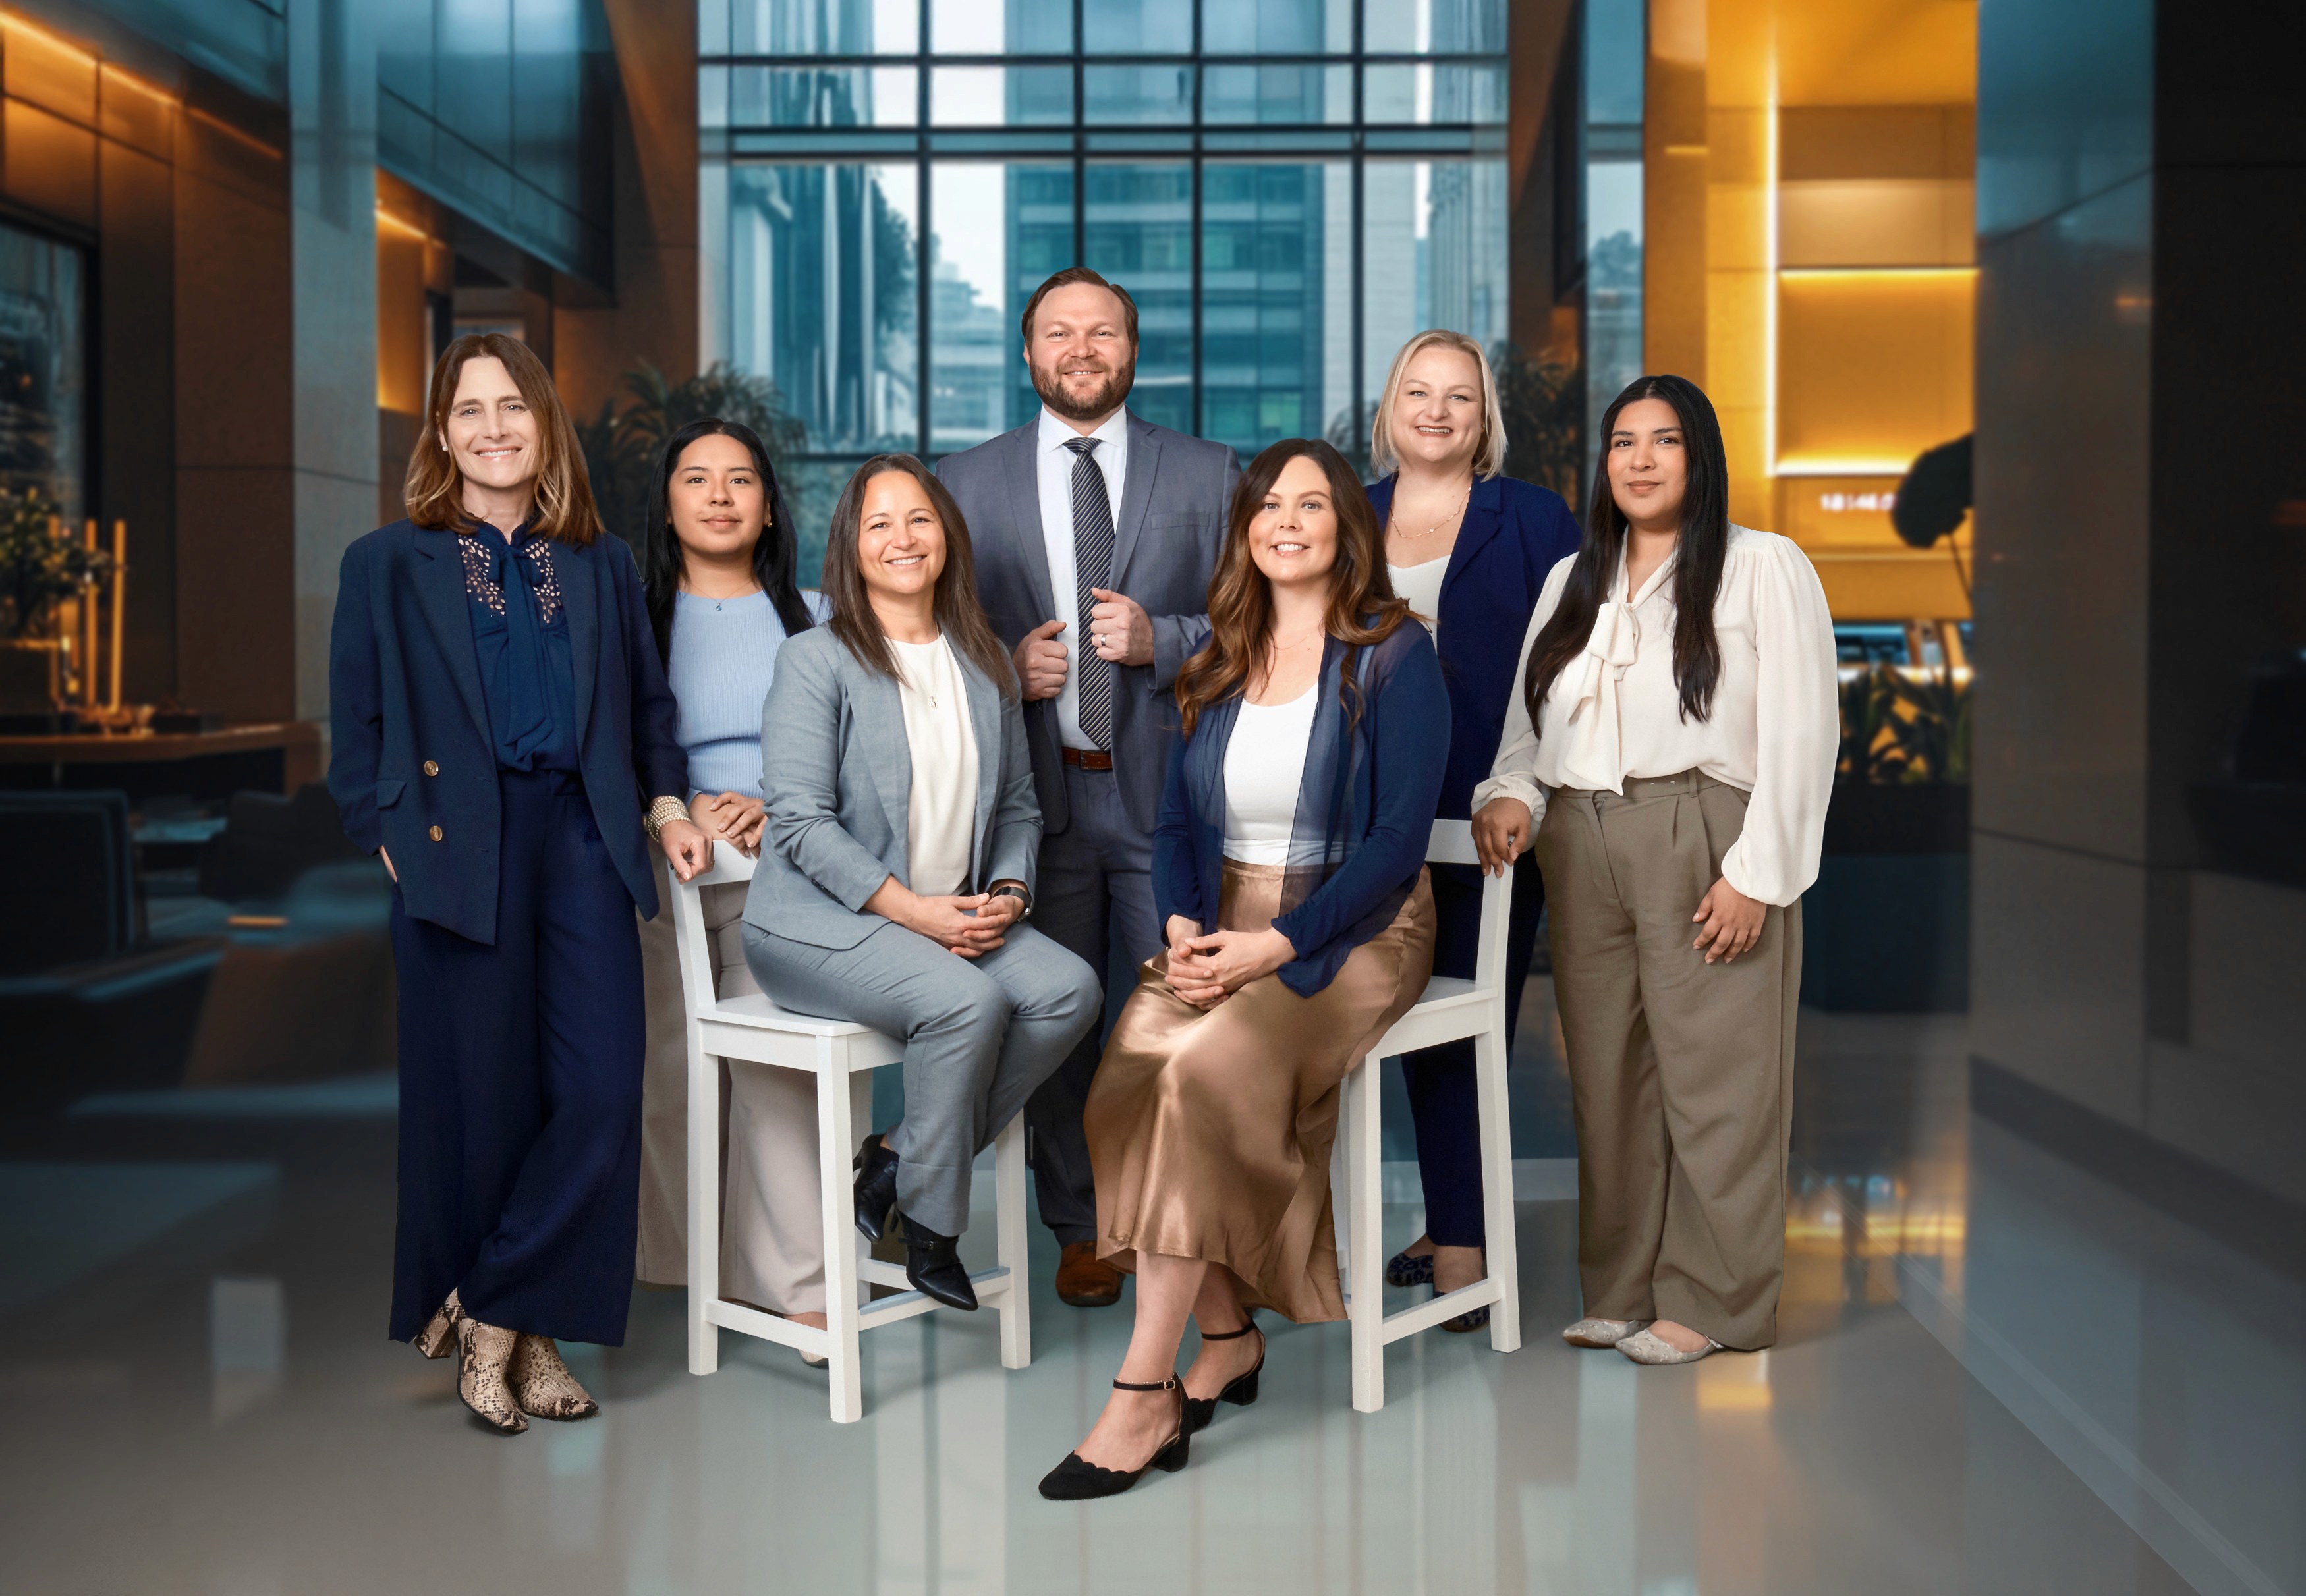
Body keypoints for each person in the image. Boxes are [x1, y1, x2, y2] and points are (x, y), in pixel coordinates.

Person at [1041, 439, 1449, 1500]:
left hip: (1357, 930)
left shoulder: (1398, 653)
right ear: (1248, 529)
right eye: (1270, 504)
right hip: (1225, 916)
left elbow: (1398, 844)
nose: (1287, 521)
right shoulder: (1226, 650)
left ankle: (1143, 1390)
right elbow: (1178, 819)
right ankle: (1225, 1334)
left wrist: (1281, 943)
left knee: (1201, 1072)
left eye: (1312, 504)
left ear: (1345, 528)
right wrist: (1182, 924)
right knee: (1129, 1065)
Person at [328, 333, 711, 1433]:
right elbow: (353, 731)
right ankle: (527, 1341)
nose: (494, 428)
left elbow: (648, 715)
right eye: (470, 411)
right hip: (458, 845)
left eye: (514, 408)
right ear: (441, 433)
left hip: (584, 839)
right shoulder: (384, 563)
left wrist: (671, 806)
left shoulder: (597, 563)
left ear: (547, 425)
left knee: (599, 1093)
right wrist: (389, 836)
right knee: (486, 1106)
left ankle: (486, 1304)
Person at [1470, 375, 1836, 1366]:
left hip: (1704, 832)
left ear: (1700, 456)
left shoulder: (1765, 568)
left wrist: (1757, 874)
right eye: (1622, 442)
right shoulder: (1571, 581)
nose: (1638, 460)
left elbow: (1804, 733)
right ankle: (1622, 1288)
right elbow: (1524, 735)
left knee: (1720, 1079)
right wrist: (1510, 797)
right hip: (1581, 844)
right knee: (1608, 1078)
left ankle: (1717, 1301)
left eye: (1663, 441)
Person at [938, 266, 1241, 1309]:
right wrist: (999, 669)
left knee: (1180, 1017)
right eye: (1058, 332)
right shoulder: (962, 485)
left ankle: (1179, 1228)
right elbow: (926, 642)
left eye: (1101, 332)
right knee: (1058, 1021)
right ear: (1027, 352)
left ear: (1131, 349)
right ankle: (1078, 1227)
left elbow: (1261, 622)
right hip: (1039, 801)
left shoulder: (1208, 474)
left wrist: (1169, 639)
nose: (1081, 349)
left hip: (1166, 801)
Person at [739, 454, 1102, 1310]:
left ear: (947, 536)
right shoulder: (814, 659)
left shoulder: (984, 664)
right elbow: (797, 822)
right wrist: (915, 914)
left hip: (949, 916)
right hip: (818, 926)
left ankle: (899, 1158)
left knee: (1068, 990)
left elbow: (1017, 805)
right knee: (965, 1002)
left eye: (919, 520)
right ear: (852, 549)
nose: (902, 539)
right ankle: (932, 1231)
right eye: (879, 524)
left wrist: (1008, 896)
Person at [1363, 330, 1583, 1329]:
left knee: (1463, 1023)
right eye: (1420, 392)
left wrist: (1523, 789)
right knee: (1402, 1021)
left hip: (1493, 810)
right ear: (1391, 407)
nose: (1439, 410)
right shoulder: (1349, 515)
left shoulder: (1533, 520)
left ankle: (1459, 1242)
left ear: (1484, 413)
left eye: (1460, 395)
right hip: (1367, 815)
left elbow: (1572, 675)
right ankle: (1456, 1218)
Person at [631, 418, 834, 1363]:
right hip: (665, 872)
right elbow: (616, 750)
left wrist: (770, 803)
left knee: (775, 1077)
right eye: (697, 478)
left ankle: (800, 1287)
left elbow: (854, 757)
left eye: (741, 479)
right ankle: (686, 1271)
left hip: (783, 873)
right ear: (668, 504)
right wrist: (678, 808)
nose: (719, 495)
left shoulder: (817, 615)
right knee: (669, 1075)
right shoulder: (631, 619)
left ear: (767, 505)